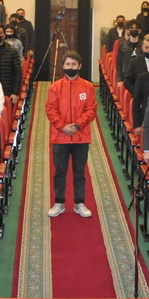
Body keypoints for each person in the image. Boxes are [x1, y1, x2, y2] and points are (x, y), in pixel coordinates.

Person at [46, 53, 97, 218]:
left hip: (81, 136)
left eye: (74, 64)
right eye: (68, 64)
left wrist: (76, 125)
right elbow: (50, 109)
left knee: (79, 172)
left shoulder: (88, 87)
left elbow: (91, 110)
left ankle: (79, 203)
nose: (70, 67)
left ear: (79, 66)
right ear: (63, 66)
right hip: (59, 137)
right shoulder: (55, 87)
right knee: (59, 172)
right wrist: (62, 127)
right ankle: (59, 202)